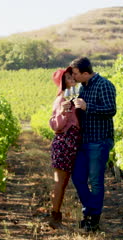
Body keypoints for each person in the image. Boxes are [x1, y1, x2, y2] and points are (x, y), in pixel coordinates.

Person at [69, 57, 117, 232]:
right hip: (84, 140)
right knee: (78, 178)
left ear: (86, 73)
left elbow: (111, 110)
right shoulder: (83, 87)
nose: (73, 77)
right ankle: (90, 210)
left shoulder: (104, 85)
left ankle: (93, 218)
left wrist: (87, 106)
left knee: (96, 181)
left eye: (75, 73)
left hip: (99, 140)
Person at [48, 67, 81, 229]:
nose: (72, 79)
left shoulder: (73, 97)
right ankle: (54, 218)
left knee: (63, 181)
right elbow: (56, 126)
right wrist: (64, 112)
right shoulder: (61, 100)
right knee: (60, 182)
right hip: (64, 144)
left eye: (72, 76)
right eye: (68, 78)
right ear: (62, 83)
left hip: (71, 144)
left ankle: (56, 216)